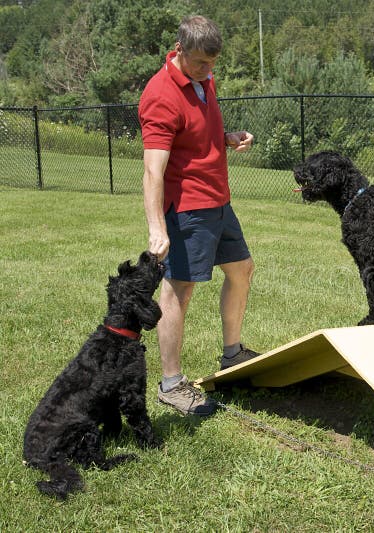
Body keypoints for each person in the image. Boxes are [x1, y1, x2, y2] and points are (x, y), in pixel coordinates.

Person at [139, 15, 259, 416]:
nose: (209, 71)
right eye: (201, 64)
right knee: (179, 290)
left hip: (218, 199)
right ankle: (171, 384)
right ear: (179, 50)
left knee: (242, 268)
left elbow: (197, 136)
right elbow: (153, 169)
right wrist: (157, 228)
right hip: (187, 207)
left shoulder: (203, 77)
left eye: (214, 63)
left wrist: (225, 139)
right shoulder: (160, 95)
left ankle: (232, 355)